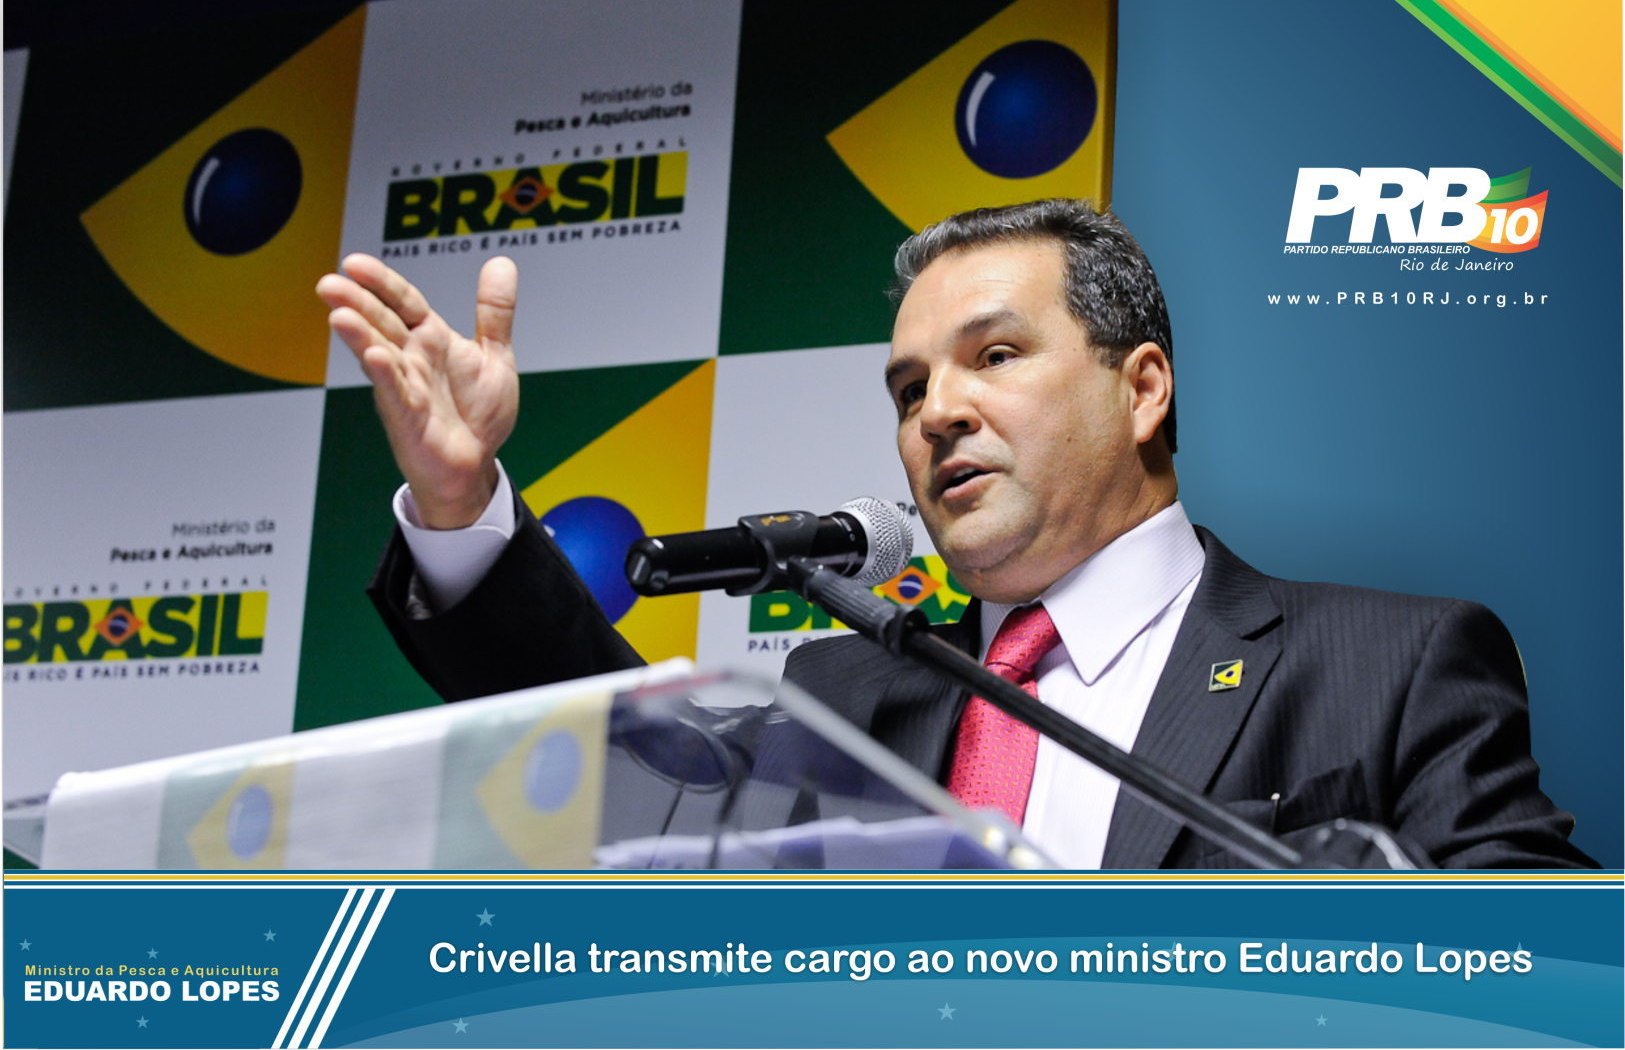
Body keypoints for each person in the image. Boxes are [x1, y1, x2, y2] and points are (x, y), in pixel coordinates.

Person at [317, 199, 1595, 870]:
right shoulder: (843, 691)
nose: (936, 411)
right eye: (907, 387)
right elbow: (621, 766)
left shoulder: (1387, 666)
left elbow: (1540, 973)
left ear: (1141, 388)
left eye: (993, 356)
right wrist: (460, 503)